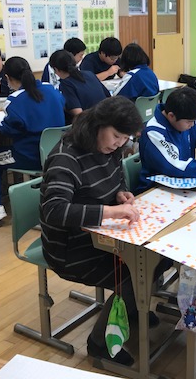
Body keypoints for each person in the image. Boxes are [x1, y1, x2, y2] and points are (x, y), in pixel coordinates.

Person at [40, 96, 169, 366]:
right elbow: (55, 210)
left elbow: (116, 177)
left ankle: (130, 308)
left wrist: (121, 193)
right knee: (136, 271)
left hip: (104, 236)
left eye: (124, 139)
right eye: (116, 136)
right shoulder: (66, 157)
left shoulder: (109, 148)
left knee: (160, 258)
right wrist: (110, 211)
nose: (119, 144)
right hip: (71, 247)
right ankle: (99, 344)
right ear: (98, 125)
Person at [0, 56, 65, 224]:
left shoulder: (15, 100)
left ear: (7, 78)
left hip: (30, 157)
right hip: (58, 152)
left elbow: (7, 129)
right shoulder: (51, 89)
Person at [49, 49, 110, 120]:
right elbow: (108, 97)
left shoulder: (66, 84)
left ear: (56, 69)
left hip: (92, 122)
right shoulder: (89, 74)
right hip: (107, 116)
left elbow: (78, 114)